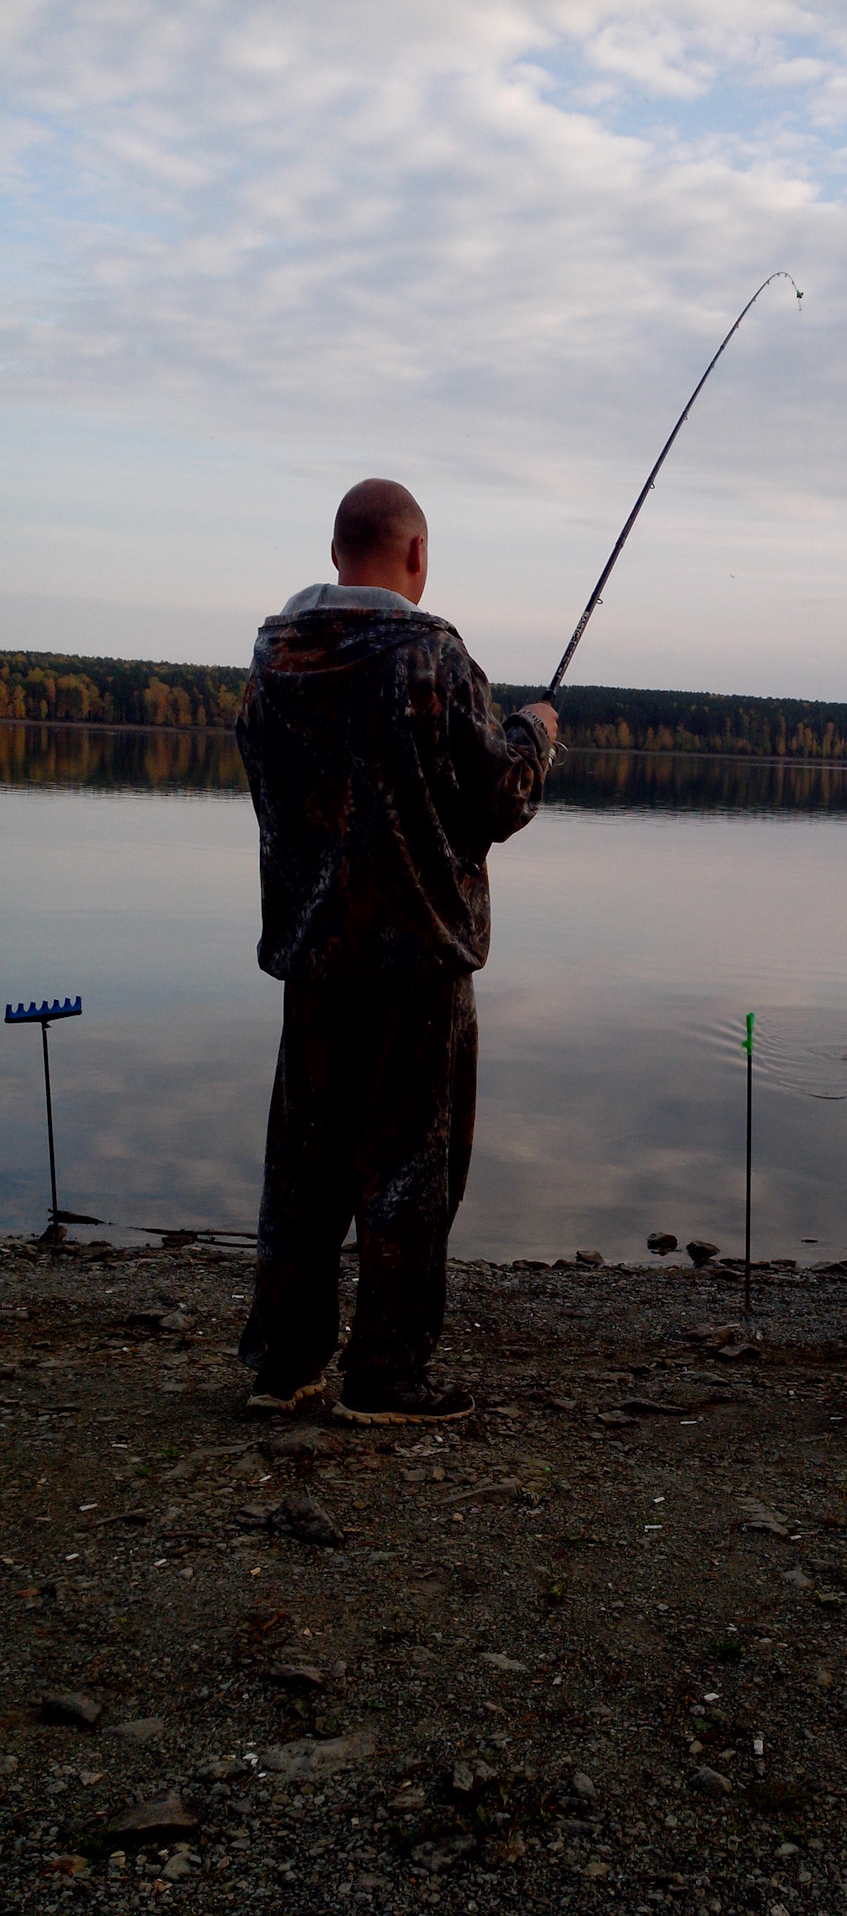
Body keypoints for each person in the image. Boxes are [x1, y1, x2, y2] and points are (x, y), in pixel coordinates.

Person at [234, 478, 558, 1425]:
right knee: (412, 1169)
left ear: (339, 552)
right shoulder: (432, 659)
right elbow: (497, 799)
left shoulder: (273, 662)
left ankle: (284, 1364)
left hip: (313, 959)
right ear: (414, 556)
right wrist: (535, 736)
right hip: (417, 964)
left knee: (303, 1165)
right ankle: (387, 1378)